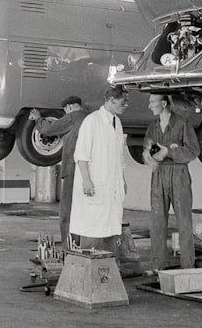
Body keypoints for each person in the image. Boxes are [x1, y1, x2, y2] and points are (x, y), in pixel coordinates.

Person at [69, 86, 130, 254]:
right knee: (92, 232)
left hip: (112, 186)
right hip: (94, 186)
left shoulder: (117, 123)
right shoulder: (92, 120)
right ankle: (87, 274)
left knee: (111, 232)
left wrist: (122, 180)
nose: (126, 105)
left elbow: (119, 157)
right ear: (112, 100)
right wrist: (86, 180)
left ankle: (109, 274)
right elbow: (81, 155)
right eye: (123, 102)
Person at [143, 93, 200, 270]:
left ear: (164, 103)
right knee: (157, 221)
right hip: (159, 174)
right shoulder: (153, 126)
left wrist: (169, 152)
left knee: (184, 221)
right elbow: (148, 149)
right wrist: (149, 158)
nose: (149, 105)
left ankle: (187, 266)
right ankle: (158, 265)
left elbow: (193, 151)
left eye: (152, 101)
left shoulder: (182, 123)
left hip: (179, 174)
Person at [28, 95, 88, 249]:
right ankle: (82, 247)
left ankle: (69, 249)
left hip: (73, 170)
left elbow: (49, 129)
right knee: (83, 212)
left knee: (67, 213)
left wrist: (38, 119)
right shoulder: (90, 117)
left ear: (69, 107)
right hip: (87, 173)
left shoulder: (73, 117)